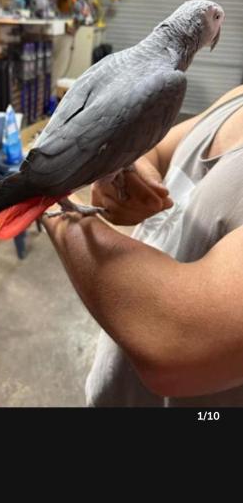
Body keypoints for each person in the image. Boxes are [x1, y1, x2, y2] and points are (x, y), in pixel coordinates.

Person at [42, 84, 243, 407]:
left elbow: (175, 344)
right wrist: (128, 170)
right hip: (119, 389)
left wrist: (45, 199)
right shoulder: (236, 97)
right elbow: (158, 149)